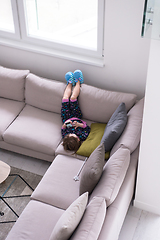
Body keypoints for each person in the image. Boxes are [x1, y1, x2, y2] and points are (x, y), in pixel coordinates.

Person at [61, 70, 90, 152]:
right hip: (76, 116)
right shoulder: (83, 136)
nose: (70, 133)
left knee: (65, 99)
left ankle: (70, 83)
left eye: (69, 135)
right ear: (77, 139)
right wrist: (79, 125)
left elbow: (63, 129)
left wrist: (65, 124)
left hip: (65, 117)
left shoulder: (66, 136)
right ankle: (78, 82)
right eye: (72, 135)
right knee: (73, 98)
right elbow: (87, 128)